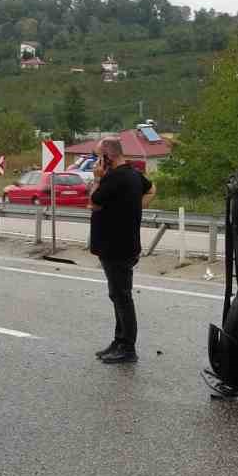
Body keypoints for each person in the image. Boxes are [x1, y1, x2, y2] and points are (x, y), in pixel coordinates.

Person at [89, 136, 154, 363]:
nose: (96, 161)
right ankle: (119, 341)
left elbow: (94, 202)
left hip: (116, 246)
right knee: (117, 294)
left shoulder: (114, 178)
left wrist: (97, 179)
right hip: (124, 244)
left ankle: (128, 348)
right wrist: (135, 208)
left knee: (122, 296)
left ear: (108, 155)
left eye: (98, 156)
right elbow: (152, 189)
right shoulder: (134, 174)